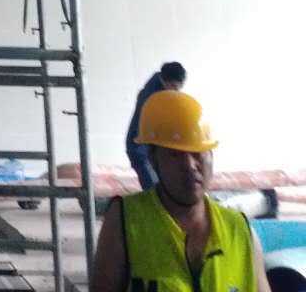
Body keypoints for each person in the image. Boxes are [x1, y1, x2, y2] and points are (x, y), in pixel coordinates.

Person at [92, 90, 271, 292]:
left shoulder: (240, 231)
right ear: (153, 159)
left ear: (211, 155)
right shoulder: (126, 220)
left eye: (197, 153)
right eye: (175, 155)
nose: (190, 166)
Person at [128, 61, 187, 190]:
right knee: (155, 188)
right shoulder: (152, 96)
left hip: (150, 146)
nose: (176, 91)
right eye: (174, 86)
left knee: (164, 184)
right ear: (165, 81)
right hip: (140, 147)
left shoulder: (160, 81)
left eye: (179, 88)